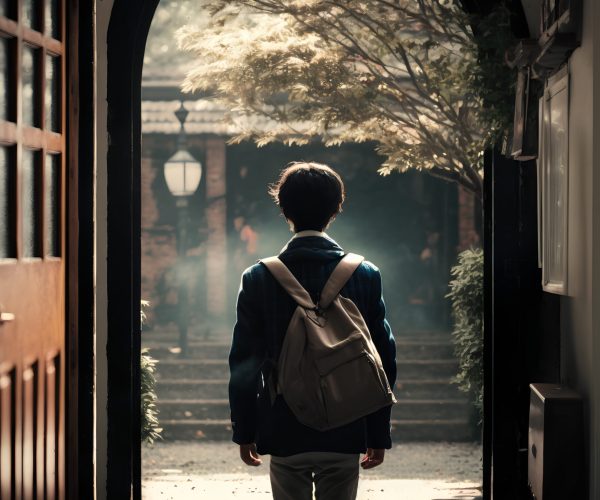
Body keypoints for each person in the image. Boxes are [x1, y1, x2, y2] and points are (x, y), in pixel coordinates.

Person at [229, 162, 397, 500]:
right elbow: (381, 358)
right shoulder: (364, 274)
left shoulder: (258, 278)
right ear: (335, 209)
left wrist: (246, 430)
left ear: (284, 209)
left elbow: (244, 363)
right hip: (347, 425)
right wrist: (377, 433)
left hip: (285, 424)